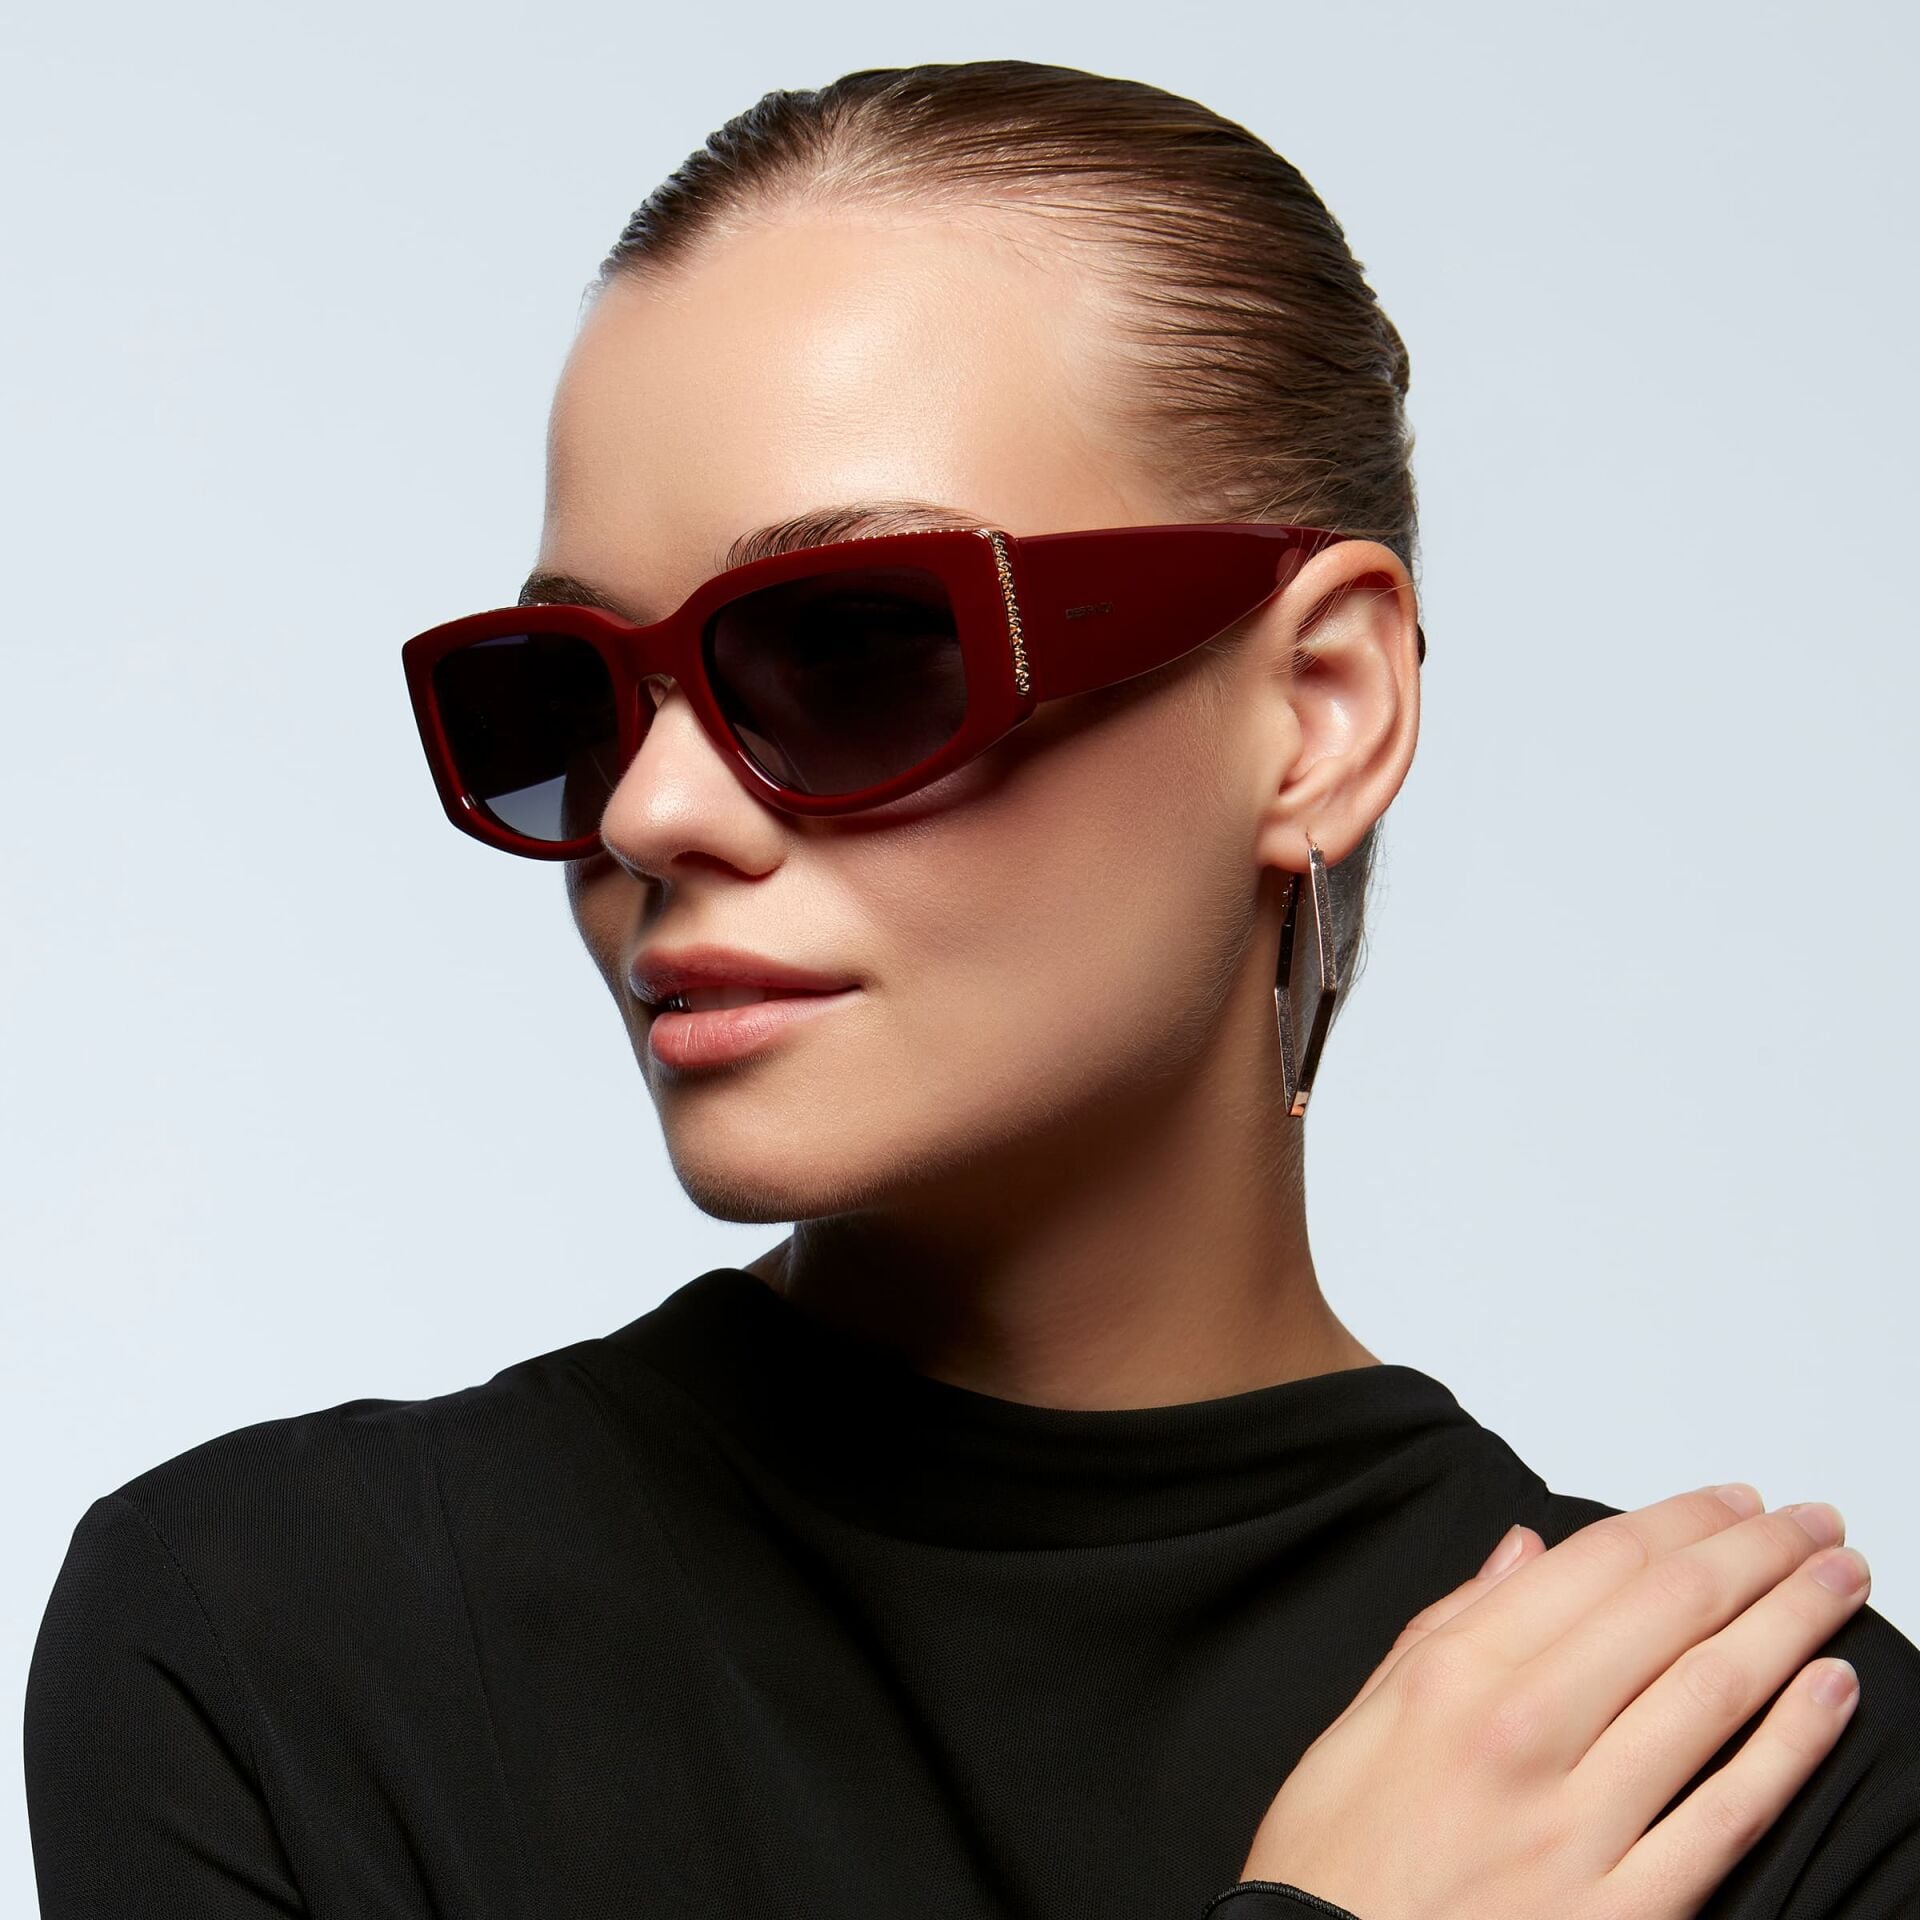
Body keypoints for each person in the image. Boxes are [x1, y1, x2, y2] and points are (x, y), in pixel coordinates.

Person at [23, 58, 1920, 1920]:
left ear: (1321, 711)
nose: (654, 813)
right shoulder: (275, 1649)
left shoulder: (1749, 1774)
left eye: (852, 652)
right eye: (565, 702)